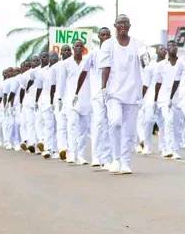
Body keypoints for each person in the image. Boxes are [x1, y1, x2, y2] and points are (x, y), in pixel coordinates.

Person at [100, 14, 144, 174]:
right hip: (113, 94)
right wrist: (103, 89)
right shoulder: (108, 44)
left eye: (126, 23)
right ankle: (115, 159)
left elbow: (145, 64)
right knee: (116, 122)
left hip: (132, 94)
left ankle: (125, 162)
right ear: (115, 26)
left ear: (130, 26)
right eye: (120, 23)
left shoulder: (138, 45)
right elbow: (105, 67)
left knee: (129, 131)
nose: (123, 25)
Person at [76, 27, 112, 167]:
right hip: (97, 95)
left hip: (112, 94)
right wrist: (76, 92)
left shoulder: (114, 53)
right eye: (103, 34)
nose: (105, 36)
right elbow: (83, 72)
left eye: (107, 34)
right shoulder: (94, 54)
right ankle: (96, 157)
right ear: (99, 37)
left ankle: (107, 158)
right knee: (98, 123)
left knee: (111, 125)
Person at [154, 40, 185, 160]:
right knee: (168, 121)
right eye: (170, 46)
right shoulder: (161, 65)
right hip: (164, 99)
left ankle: (175, 149)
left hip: (178, 99)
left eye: (174, 46)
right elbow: (158, 84)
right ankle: (168, 148)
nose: (172, 47)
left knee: (177, 125)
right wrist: (155, 101)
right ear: (167, 49)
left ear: (177, 48)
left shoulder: (181, 63)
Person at [137, 44, 166, 156]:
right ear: (157, 52)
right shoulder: (150, 67)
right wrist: (141, 99)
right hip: (150, 96)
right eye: (161, 49)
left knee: (163, 122)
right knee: (148, 121)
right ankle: (147, 146)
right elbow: (145, 85)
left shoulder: (168, 65)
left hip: (164, 96)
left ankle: (163, 147)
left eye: (165, 49)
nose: (164, 50)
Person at [35, 52, 58, 159]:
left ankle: (57, 149)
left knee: (58, 126)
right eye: (51, 57)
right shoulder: (42, 72)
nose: (53, 59)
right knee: (49, 125)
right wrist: (36, 101)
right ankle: (48, 148)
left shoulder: (60, 67)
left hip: (58, 100)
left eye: (55, 57)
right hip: (46, 102)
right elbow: (39, 88)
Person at [53, 45, 72, 160]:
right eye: (64, 50)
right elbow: (56, 84)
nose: (66, 52)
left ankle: (70, 150)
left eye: (68, 50)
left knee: (70, 125)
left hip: (70, 98)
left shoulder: (75, 63)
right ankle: (62, 149)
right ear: (61, 53)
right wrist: (58, 99)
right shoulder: (57, 66)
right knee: (61, 126)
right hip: (59, 98)